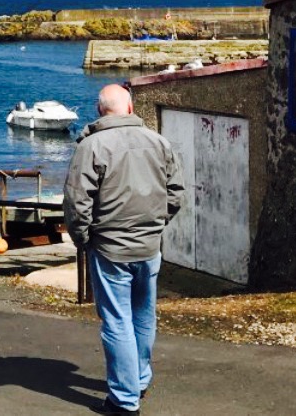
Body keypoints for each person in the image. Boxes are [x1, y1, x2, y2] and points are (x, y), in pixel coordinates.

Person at [64, 84, 184, 414]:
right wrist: (157, 225)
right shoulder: (158, 142)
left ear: (100, 111)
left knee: (117, 321)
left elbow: (77, 203)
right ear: (130, 108)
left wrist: (83, 238)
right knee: (144, 316)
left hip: (110, 247)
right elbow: (176, 194)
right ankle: (140, 380)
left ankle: (125, 399)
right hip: (149, 246)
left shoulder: (91, 147)